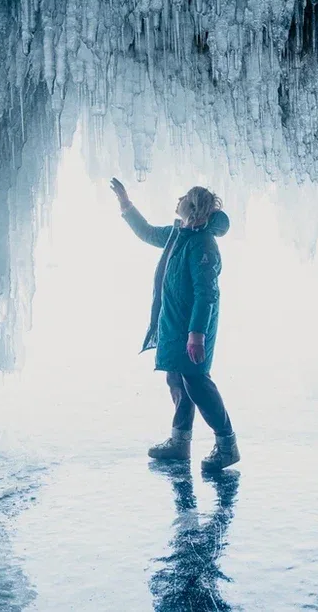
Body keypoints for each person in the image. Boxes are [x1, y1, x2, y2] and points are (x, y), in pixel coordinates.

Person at [111, 178, 240, 471]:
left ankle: (227, 445)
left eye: (185, 199)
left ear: (194, 207)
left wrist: (197, 333)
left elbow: (206, 294)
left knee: (196, 380)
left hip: (191, 325)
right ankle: (180, 443)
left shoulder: (203, 244)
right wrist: (125, 204)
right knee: (176, 379)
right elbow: (146, 232)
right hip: (172, 320)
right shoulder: (177, 234)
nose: (179, 200)